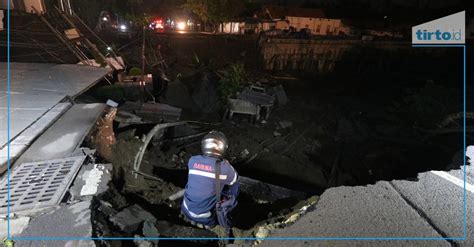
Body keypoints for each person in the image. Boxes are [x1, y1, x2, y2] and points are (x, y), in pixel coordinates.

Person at [181, 131, 239, 232]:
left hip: (185, 208)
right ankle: (210, 226)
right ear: (222, 148)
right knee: (234, 186)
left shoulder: (192, 160)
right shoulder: (225, 168)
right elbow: (235, 179)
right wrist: (227, 165)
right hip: (205, 216)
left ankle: (193, 219)